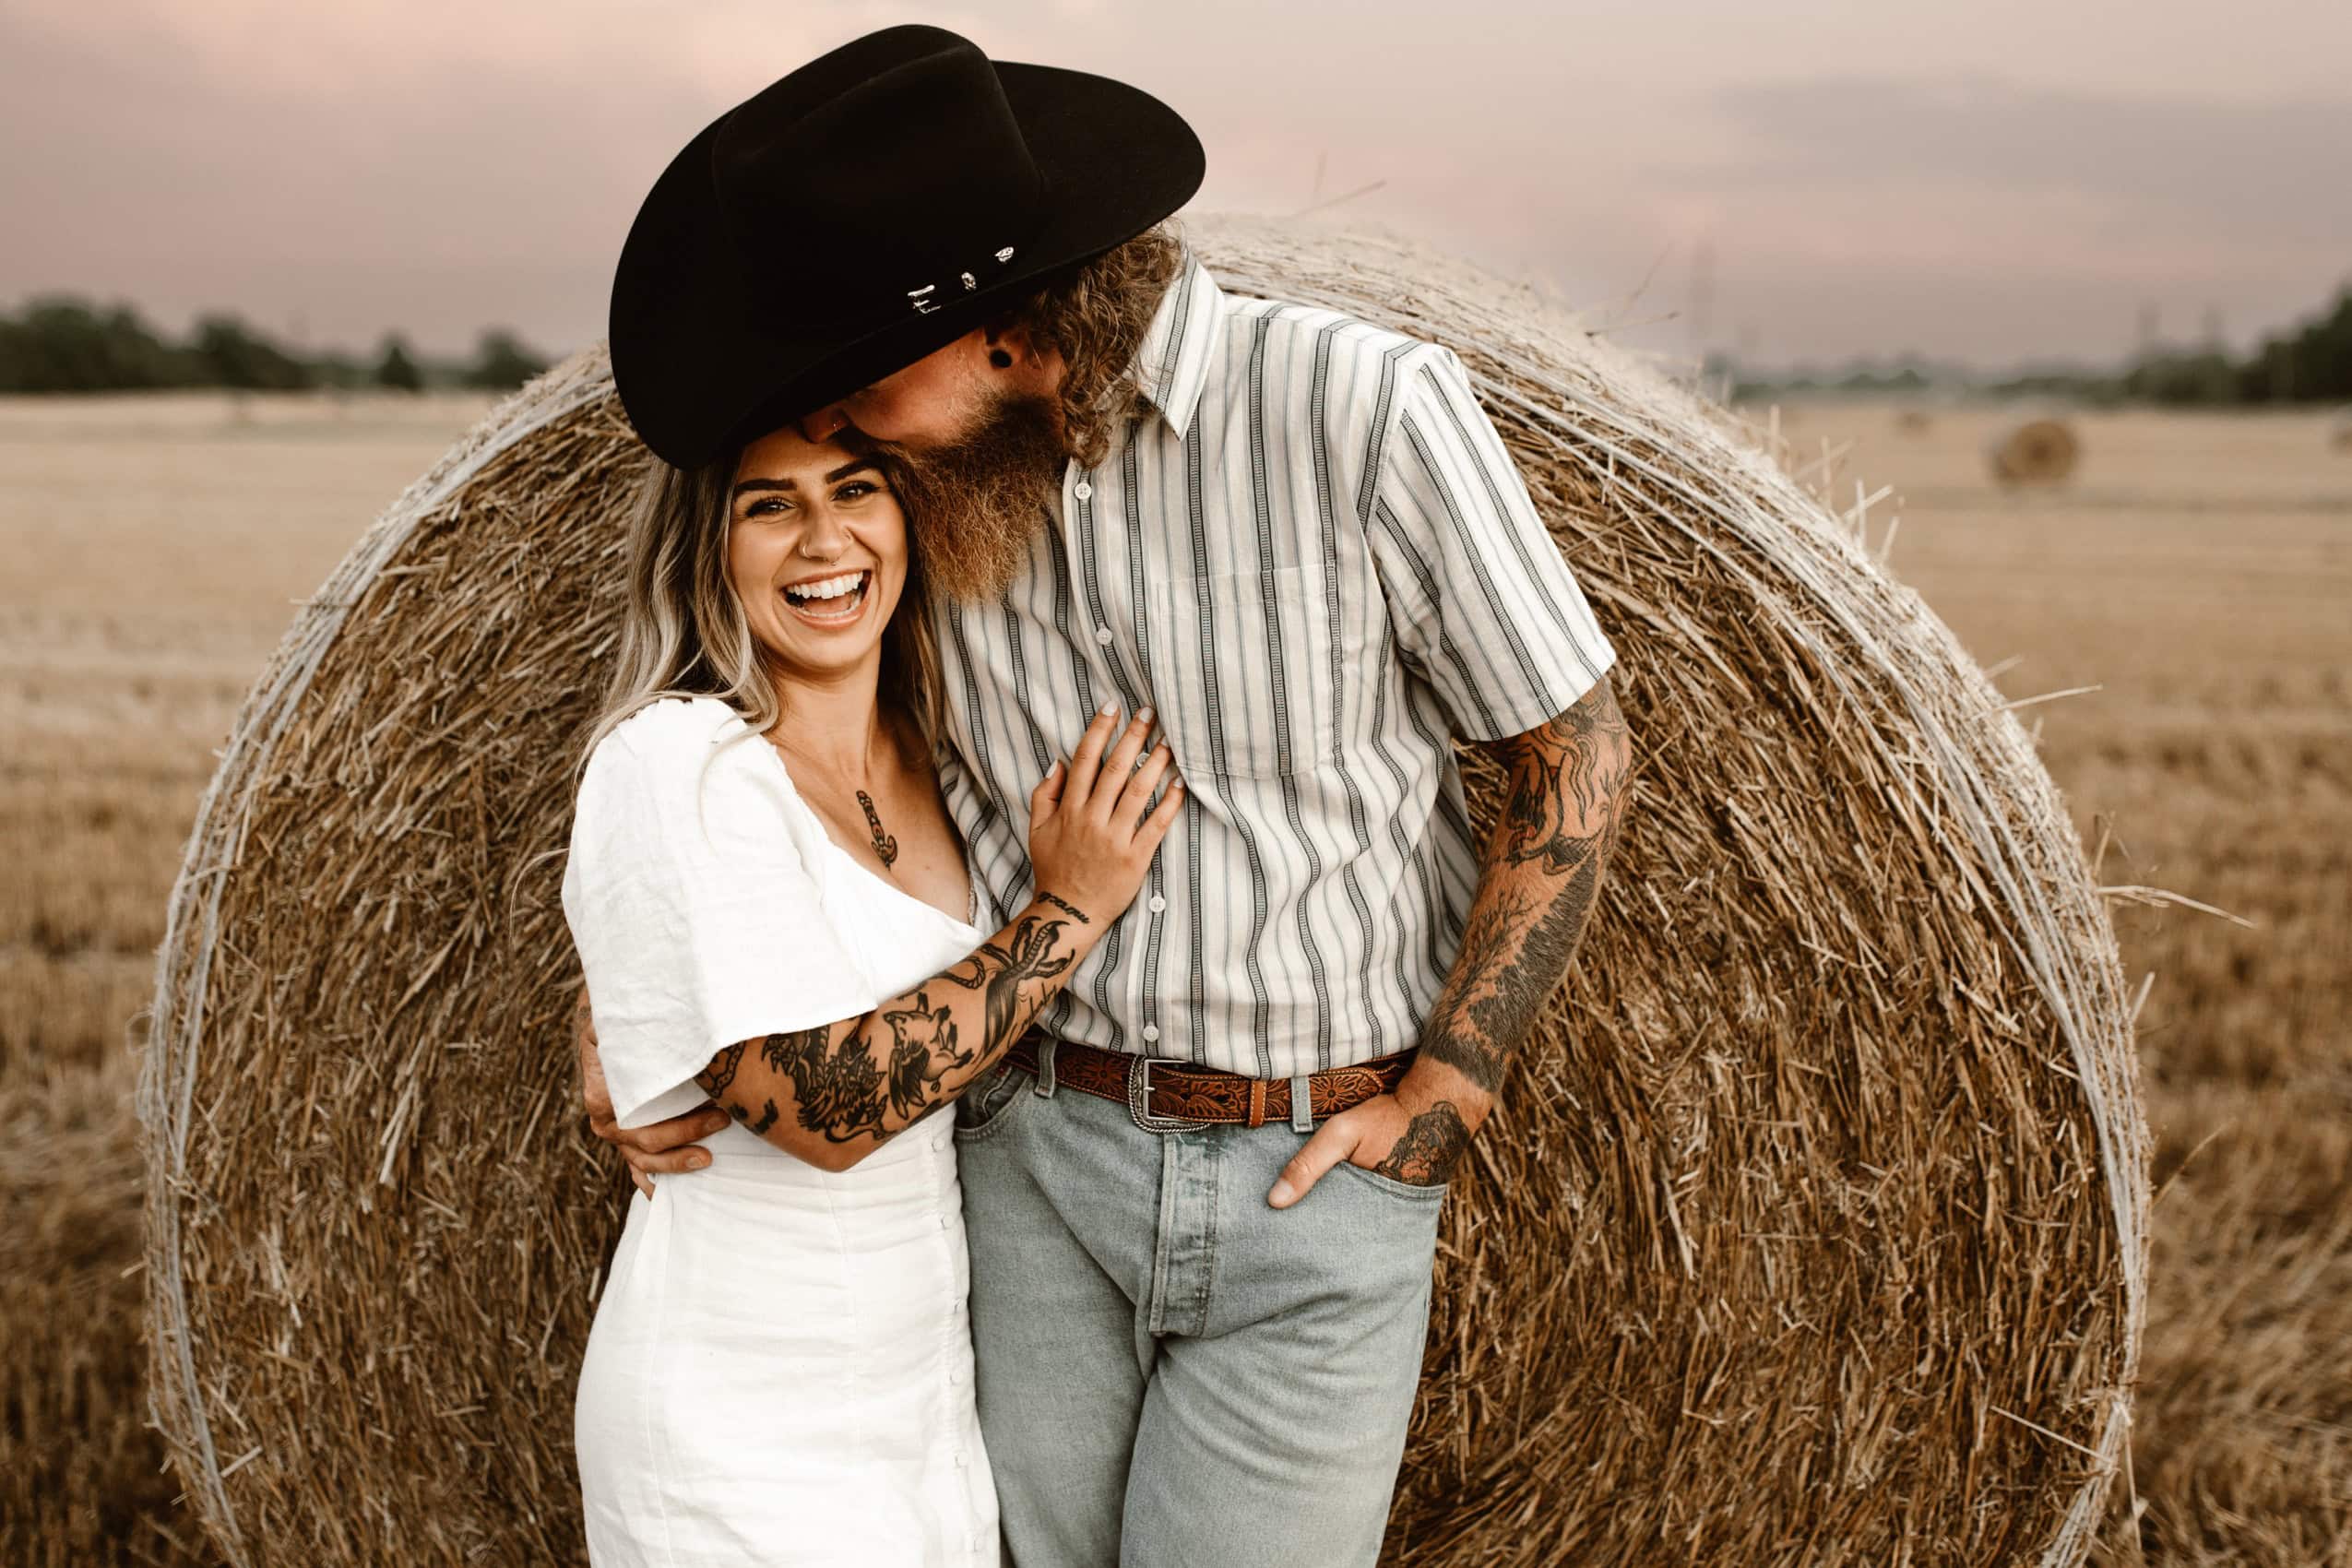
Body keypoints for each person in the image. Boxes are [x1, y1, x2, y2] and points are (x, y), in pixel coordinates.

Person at [586, 24, 1633, 1568]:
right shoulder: (922, 492)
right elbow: (753, 759)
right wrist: (643, 1001)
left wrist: (1448, 1091)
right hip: (1029, 1176)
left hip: (1309, 1188)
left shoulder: (1365, 414)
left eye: (862, 380)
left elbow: (1572, 749)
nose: (843, 432)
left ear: (1003, 329)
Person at [561, 415, 1183, 1567]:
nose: (823, 538)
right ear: (707, 545)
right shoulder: (675, 760)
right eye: (769, 504)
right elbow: (817, 1105)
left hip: (923, 1412)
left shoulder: (943, 750)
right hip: (735, 1425)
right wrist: (1070, 912)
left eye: (855, 488)